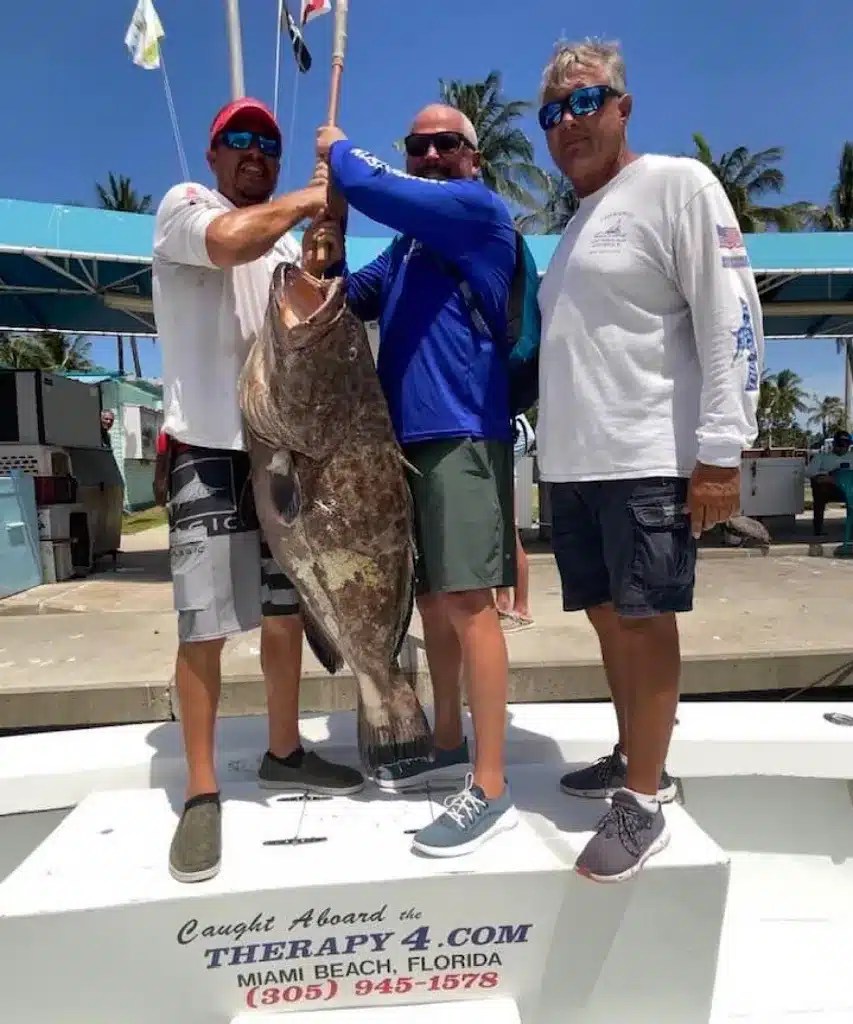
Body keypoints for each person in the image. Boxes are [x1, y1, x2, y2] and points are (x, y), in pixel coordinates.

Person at [535, 39, 763, 882]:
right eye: (552, 113)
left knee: (643, 619)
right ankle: (638, 754)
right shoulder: (572, 229)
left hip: (644, 457)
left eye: (585, 101)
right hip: (573, 466)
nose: (569, 124)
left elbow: (730, 317)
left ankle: (644, 803)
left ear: (622, 105)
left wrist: (718, 455)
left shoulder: (676, 185)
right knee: (603, 616)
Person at [151, 97, 363, 885]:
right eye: (236, 140)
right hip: (206, 447)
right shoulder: (185, 208)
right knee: (203, 625)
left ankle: (283, 751)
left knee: (285, 610)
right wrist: (310, 196)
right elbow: (229, 241)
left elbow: (318, 310)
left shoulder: (279, 249)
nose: (252, 151)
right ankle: (201, 791)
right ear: (212, 155)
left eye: (266, 143)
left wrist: (322, 244)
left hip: (278, 453)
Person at [313, 104, 519, 857]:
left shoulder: (476, 212)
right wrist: (326, 241)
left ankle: (490, 787)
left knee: (468, 602)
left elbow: (378, 187)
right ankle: (446, 737)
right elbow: (344, 298)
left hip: (461, 433)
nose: (431, 153)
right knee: (432, 601)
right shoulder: (402, 253)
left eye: (445, 143)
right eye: (419, 145)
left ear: (472, 158)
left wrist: (338, 155)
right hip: (400, 448)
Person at [496, 413, 535, 631]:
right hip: (507, 439)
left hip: (511, 437)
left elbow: (526, 437)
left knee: (508, 534)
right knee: (501, 534)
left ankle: (521, 609)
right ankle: (503, 603)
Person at [805, 430, 852, 535]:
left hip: (848, 487)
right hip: (828, 488)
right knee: (820, 489)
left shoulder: (851, 456)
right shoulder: (822, 457)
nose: (843, 448)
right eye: (840, 445)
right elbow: (809, 473)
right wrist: (826, 476)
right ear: (834, 444)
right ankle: (818, 529)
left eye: (846, 445)